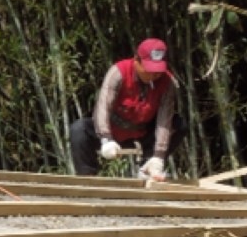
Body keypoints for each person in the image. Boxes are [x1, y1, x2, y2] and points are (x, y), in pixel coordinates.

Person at [68, 38, 178, 180]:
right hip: (113, 129)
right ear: (136, 61)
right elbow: (103, 106)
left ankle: (147, 167)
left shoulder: (166, 82)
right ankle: (87, 178)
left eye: (157, 71)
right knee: (79, 129)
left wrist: (159, 155)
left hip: (142, 132)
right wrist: (106, 138)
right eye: (149, 70)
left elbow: (164, 120)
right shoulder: (118, 72)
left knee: (178, 125)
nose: (153, 75)